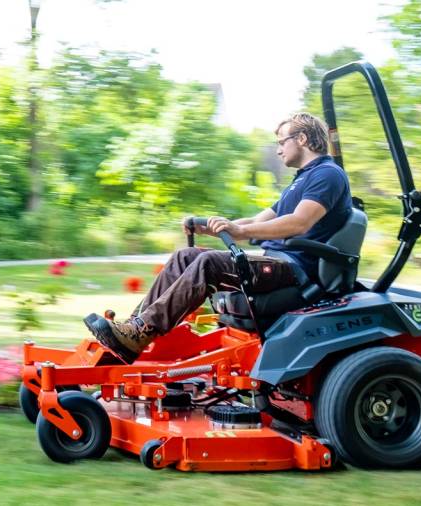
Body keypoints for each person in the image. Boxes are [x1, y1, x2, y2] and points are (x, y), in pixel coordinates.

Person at [84, 112, 353, 364]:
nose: (278, 148)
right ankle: (134, 329)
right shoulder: (301, 180)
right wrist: (215, 226)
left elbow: (300, 222)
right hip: (277, 262)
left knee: (209, 263)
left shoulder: (327, 175)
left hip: (296, 269)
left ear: (302, 139)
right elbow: (257, 222)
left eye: (282, 141)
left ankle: (140, 331)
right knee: (185, 256)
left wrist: (241, 232)